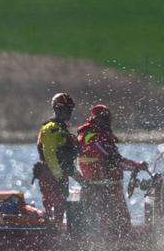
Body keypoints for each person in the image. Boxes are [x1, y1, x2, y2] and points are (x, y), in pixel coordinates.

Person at [77, 104, 146, 240]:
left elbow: (114, 159)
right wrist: (136, 166)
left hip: (109, 185)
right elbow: (113, 160)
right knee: (116, 221)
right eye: (102, 118)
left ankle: (120, 243)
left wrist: (135, 166)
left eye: (107, 118)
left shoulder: (101, 136)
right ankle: (120, 247)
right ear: (94, 119)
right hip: (100, 187)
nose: (106, 121)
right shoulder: (92, 137)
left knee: (120, 221)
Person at [32, 92, 85, 228]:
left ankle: (59, 236)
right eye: (65, 110)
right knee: (54, 210)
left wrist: (83, 181)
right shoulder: (50, 129)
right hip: (50, 176)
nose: (68, 113)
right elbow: (50, 157)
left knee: (60, 210)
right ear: (57, 109)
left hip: (60, 176)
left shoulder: (63, 130)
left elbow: (66, 162)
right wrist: (60, 178)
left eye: (70, 110)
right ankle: (50, 239)